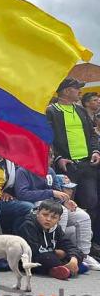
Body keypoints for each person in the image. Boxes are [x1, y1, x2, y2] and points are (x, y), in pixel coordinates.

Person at [14, 148, 100, 269]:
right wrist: (51, 193)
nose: (51, 158)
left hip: (53, 203)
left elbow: (56, 191)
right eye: (49, 156)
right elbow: (22, 194)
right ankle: (58, 247)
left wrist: (65, 201)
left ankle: (83, 255)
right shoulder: (23, 171)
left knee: (83, 217)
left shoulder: (50, 171)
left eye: (51, 155)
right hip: (35, 205)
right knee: (61, 211)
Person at [46, 77, 100, 247]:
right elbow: (48, 138)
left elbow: (92, 134)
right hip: (66, 166)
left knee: (91, 201)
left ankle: (89, 242)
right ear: (67, 91)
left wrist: (96, 151)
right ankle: (64, 243)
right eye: (77, 89)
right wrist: (58, 158)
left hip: (86, 164)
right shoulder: (51, 111)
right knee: (66, 205)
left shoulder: (81, 110)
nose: (80, 92)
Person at [18, 199, 86, 280]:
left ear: (59, 219)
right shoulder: (28, 225)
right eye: (45, 215)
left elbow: (69, 245)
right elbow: (33, 251)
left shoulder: (56, 228)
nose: (48, 219)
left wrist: (74, 259)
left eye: (54, 217)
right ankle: (65, 269)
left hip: (51, 257)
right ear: (38, 213)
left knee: (77, 256)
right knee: (47, 258)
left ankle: (60, 269)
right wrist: (58, 253)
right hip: (30, 259)